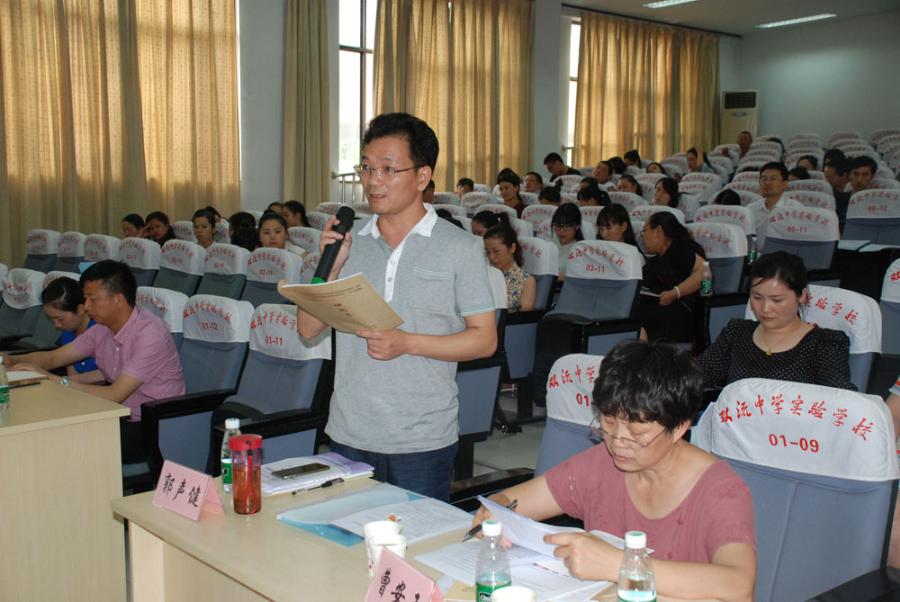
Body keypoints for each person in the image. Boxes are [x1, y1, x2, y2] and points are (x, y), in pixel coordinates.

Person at [297, 112, 496, 501]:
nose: (373, 181)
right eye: (367, 168)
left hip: (422, 439)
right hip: (349, 431)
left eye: (388, 169)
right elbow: (307, 330)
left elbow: (484, 340)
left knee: (415, 540)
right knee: (348, 537)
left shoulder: (460, 248)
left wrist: (407, 343)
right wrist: (331, 267)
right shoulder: (347, 242)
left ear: (422, 177)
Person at [473, 340, 756, 600]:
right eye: (607, 422)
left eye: (637, 433)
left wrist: (618, 564)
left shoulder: (720, 490)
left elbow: (739, 585)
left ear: (679, 427)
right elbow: (512, 501)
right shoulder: (602, 463)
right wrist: (495, 512)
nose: (618, 441)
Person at [3, 260, 185, 461]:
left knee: (62, 441)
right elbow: (54, 358)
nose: (86, 306)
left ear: (117, 299)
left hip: (154, 428)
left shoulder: (150, 334)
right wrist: (10, 360)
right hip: (115, 415)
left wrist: (52, 380)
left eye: (92, 299)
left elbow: (114, 394)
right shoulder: (102, 329)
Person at [700, 251, 853, 390]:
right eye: (757, 297)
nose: (765, 308)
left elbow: (838, 399)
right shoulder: (736, 332)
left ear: (802, 296)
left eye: (777, 300)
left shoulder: (825, 344)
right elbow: (698, 376)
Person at [638, 212, 705, 342]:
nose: (642, 236)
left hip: (681, 311)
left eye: (645, 231)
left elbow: (704, 274)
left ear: (658, 231)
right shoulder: (656, 259)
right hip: (660, 307)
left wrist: (675, 293)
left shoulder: (682, 249)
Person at [40, 277, 99, 381]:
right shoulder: (67, 332)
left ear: (80, 310)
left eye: (60, 319)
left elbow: (106, 376)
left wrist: (59, 381)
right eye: (50, 319)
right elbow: (72, 376)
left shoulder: (101, 330)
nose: (56, 325)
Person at [746, 162, 802, 247]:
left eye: (773, 179)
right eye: (764, 179)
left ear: (785, 184)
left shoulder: (795, 209)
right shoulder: (751, 209)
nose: (767, 182)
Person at [483, 225, 536, 311]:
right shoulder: (484, 275)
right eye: (488, 252)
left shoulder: (527, 281)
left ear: (512, 248)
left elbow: (523, 314)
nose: (491, 257)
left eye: (496, 251)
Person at [551, 203, 583, 279]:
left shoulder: (582, 251)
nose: (561, 231)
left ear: (577, 226)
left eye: (567, 226)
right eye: (558, 226)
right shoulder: (548, 245)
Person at [824, 158, 852, 230]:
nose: (827, 181)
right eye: (826, 177)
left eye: (831, 178)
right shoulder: (827, 193)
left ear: (844, 175)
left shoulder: (852, 194)